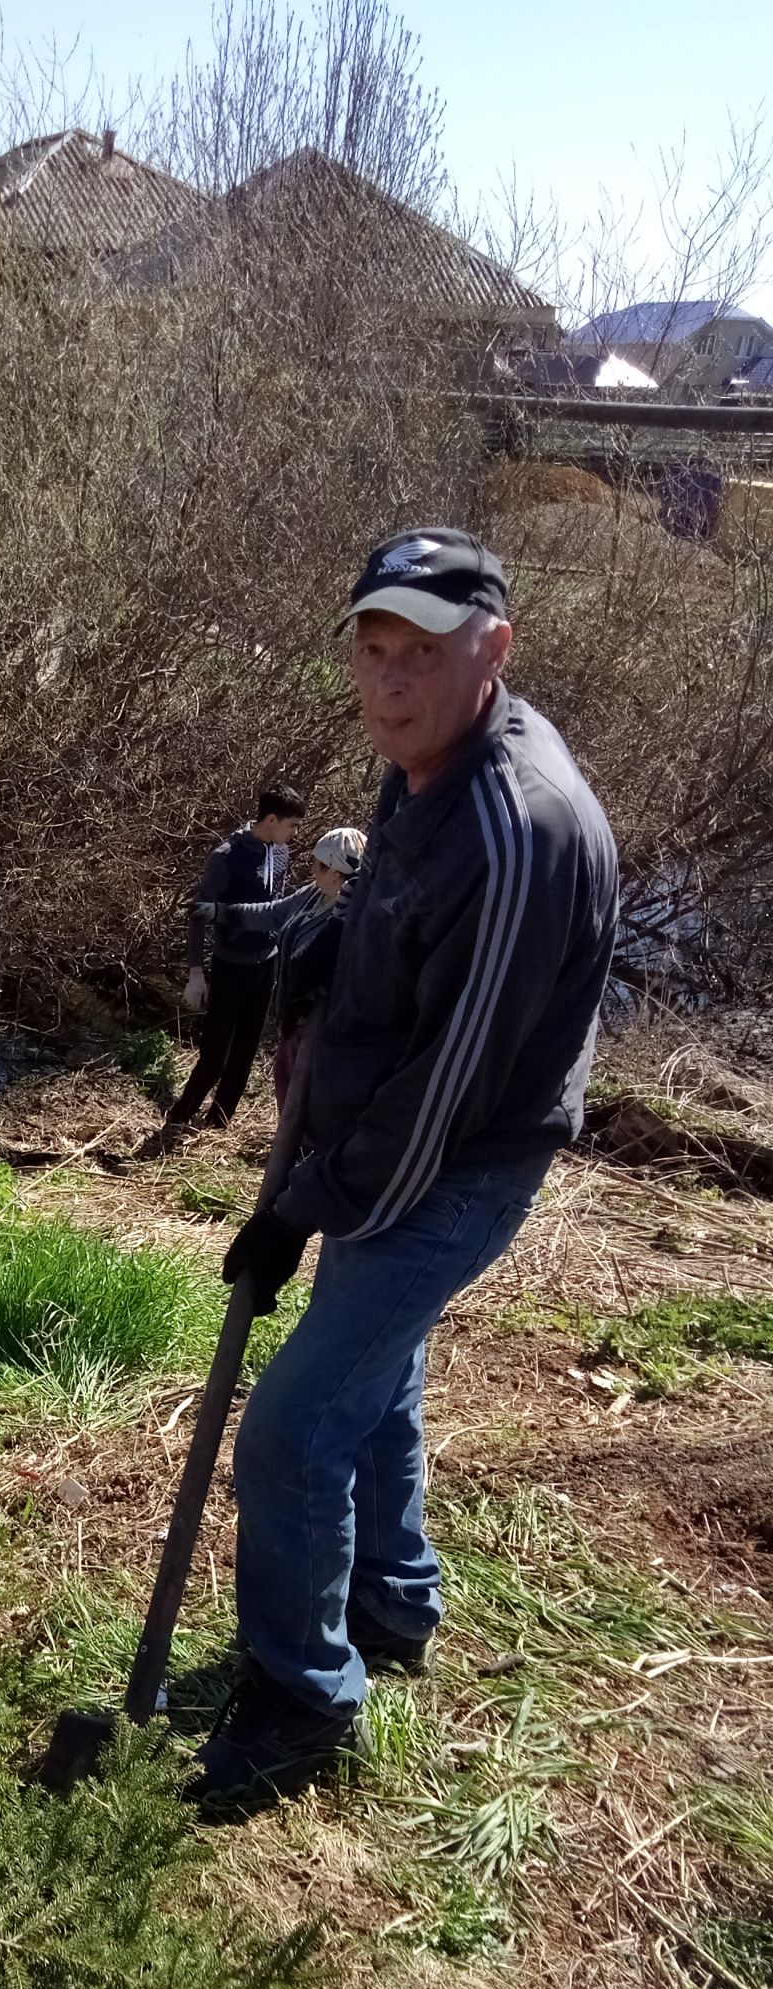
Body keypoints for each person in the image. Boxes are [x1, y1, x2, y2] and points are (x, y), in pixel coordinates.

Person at [194, 526, 619, 1811]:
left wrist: (299, 1210)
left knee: (292, 1428)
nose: (389, 682)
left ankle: (307, 1696)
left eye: (421, 653)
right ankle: (392, 1603)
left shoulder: (513, 829)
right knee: (379, 1382)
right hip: (397, 1143)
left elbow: (446, 1094)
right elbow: (406, 932)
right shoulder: (426, 759)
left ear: (494, 647)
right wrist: (343, 944)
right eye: (373, 651)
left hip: (453, 1170)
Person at [158, 782, 308, 1143]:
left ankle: (218, 1125)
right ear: (271, 819)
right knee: (216, 1056)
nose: (294, 833)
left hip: (264, 965)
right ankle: (178, 1119)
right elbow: (197, 915)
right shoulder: (227, 855)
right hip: (230, 965)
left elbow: (276, 908)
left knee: (245, 1052)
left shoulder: (281, 853)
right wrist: (196, 973)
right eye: (291, 825)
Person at [195, 824, 367, 1108]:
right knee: (287, 1086)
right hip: (296, 1019)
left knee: (304, 1095)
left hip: (320, 1024)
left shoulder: (352, 919)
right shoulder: (315, 895)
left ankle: (297, 1150)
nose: (313, 869)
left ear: (336, 873)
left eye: (319, 865)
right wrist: (222, 913)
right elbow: (273, 913)